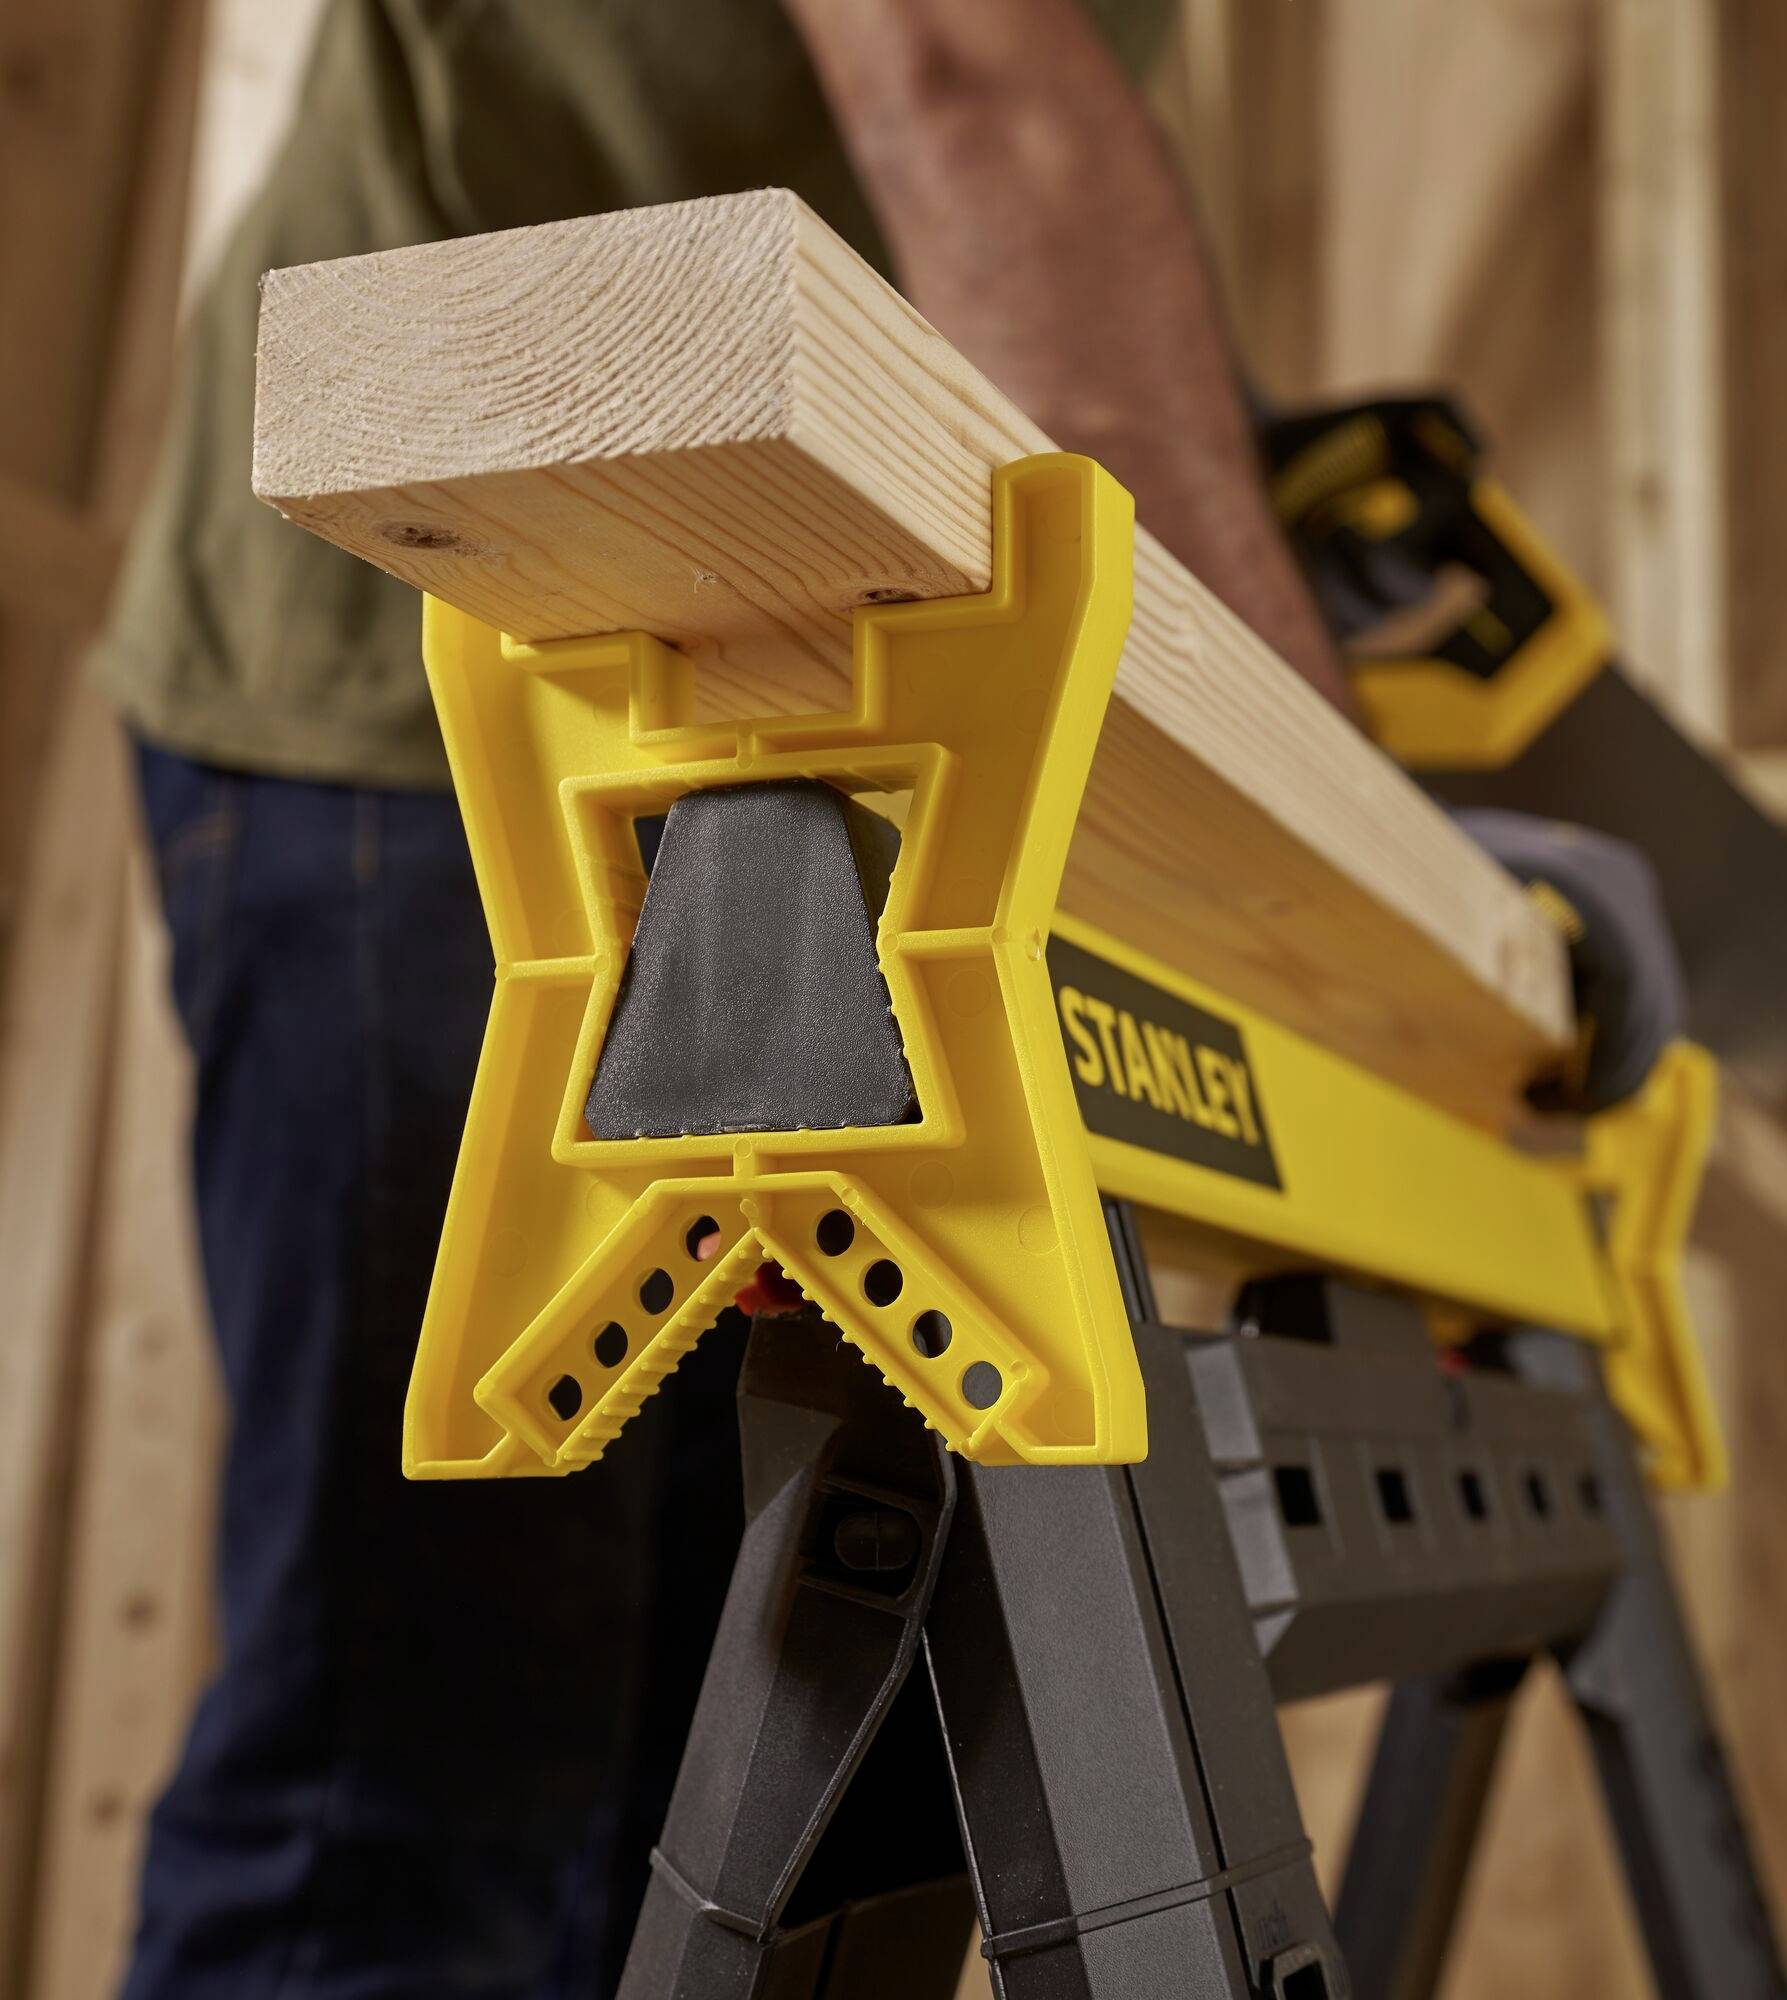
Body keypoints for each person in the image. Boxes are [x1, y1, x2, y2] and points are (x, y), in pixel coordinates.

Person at [96, 3, 1356, 1994]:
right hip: (457, 670)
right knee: (419, 1780)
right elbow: (961, 71)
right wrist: (1321, 811)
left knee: (720, 1744)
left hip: (776, 722)